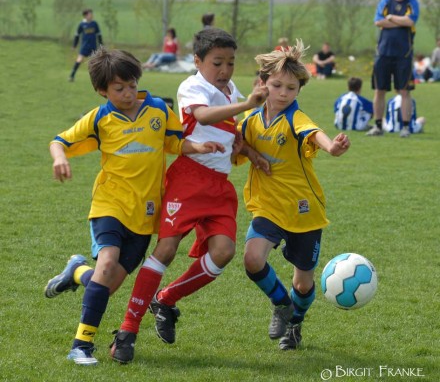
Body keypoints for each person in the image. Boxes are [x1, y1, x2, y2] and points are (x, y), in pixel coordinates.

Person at [44, 46, 224, 366]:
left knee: (108, 283)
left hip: (145, 214)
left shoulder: (157, 110)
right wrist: (60, 158)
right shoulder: (100, 118)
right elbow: (60, 141)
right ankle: (81, 345)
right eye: (119, 88)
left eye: (131, 85)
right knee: (107, 264)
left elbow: (173, 142)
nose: (128, 93)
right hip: (110, 204)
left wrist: (197, 147)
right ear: (102, 91)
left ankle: (77, 272)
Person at [109, 27, 270, 364]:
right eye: (217, 63)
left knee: (223, 252)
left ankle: (166, 299)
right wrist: (246, 104)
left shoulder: (230, 90)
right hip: (189, 179)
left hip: (219, 186)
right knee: (166, 249)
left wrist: (251, 153)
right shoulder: (192, 86)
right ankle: (127, 331)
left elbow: (229, 131)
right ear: (197, 61)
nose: (224, 70)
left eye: (230, 63)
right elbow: (201, 116)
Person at [239, 41, 350, 350]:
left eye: (291, 88)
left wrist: (332, 147)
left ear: (299, 90)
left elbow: (313, 133)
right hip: (268, 207)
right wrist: (247, 151)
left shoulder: (295, 118)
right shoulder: (250, 118)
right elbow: (236, 141)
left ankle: (295, 324)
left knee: (302, 283)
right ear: (263, 82)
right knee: (252, 259)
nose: (283, 93)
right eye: (277, 85)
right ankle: (281, 304)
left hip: (304, 211)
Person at [367, 0, 419, 138]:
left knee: (404, 91)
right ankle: (378, 126)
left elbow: (410, 21)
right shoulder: (385, 1)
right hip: (383, 54)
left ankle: (405, 128)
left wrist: (390, 18)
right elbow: (378, 21)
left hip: (404, 55)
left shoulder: (412, 3)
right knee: (379, 90)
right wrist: (400, 21)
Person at [69, 9, 103, 82]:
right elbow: (77, 35)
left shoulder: (94, 24)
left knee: (95, 63)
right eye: (90, 14)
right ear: (85, 15)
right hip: (84, 47)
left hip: (93, 46)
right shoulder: (82, 24)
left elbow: (99, 35)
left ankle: (97, 79)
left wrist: (101, 46)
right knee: (79, 60)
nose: (92, 15)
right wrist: (74, 45)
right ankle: (72, 76)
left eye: (92, 14)